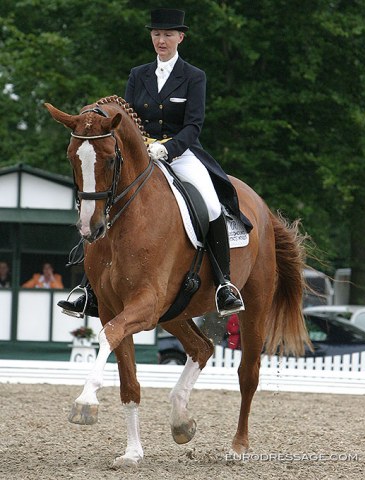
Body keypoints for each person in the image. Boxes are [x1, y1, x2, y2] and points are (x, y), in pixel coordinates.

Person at [59, 8, 251, 318]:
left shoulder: (194, 76)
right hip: (142, 155)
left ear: (180, 38)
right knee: (107, 203)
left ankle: (224, 285)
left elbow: (194, 125)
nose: (162, 40)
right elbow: (128, 121)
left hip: (182, 153)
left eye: (168, 35)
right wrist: (143, 147)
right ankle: (87, 288)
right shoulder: (138, 74)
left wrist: (170, 148)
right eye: (157, 35)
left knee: (212, 206)